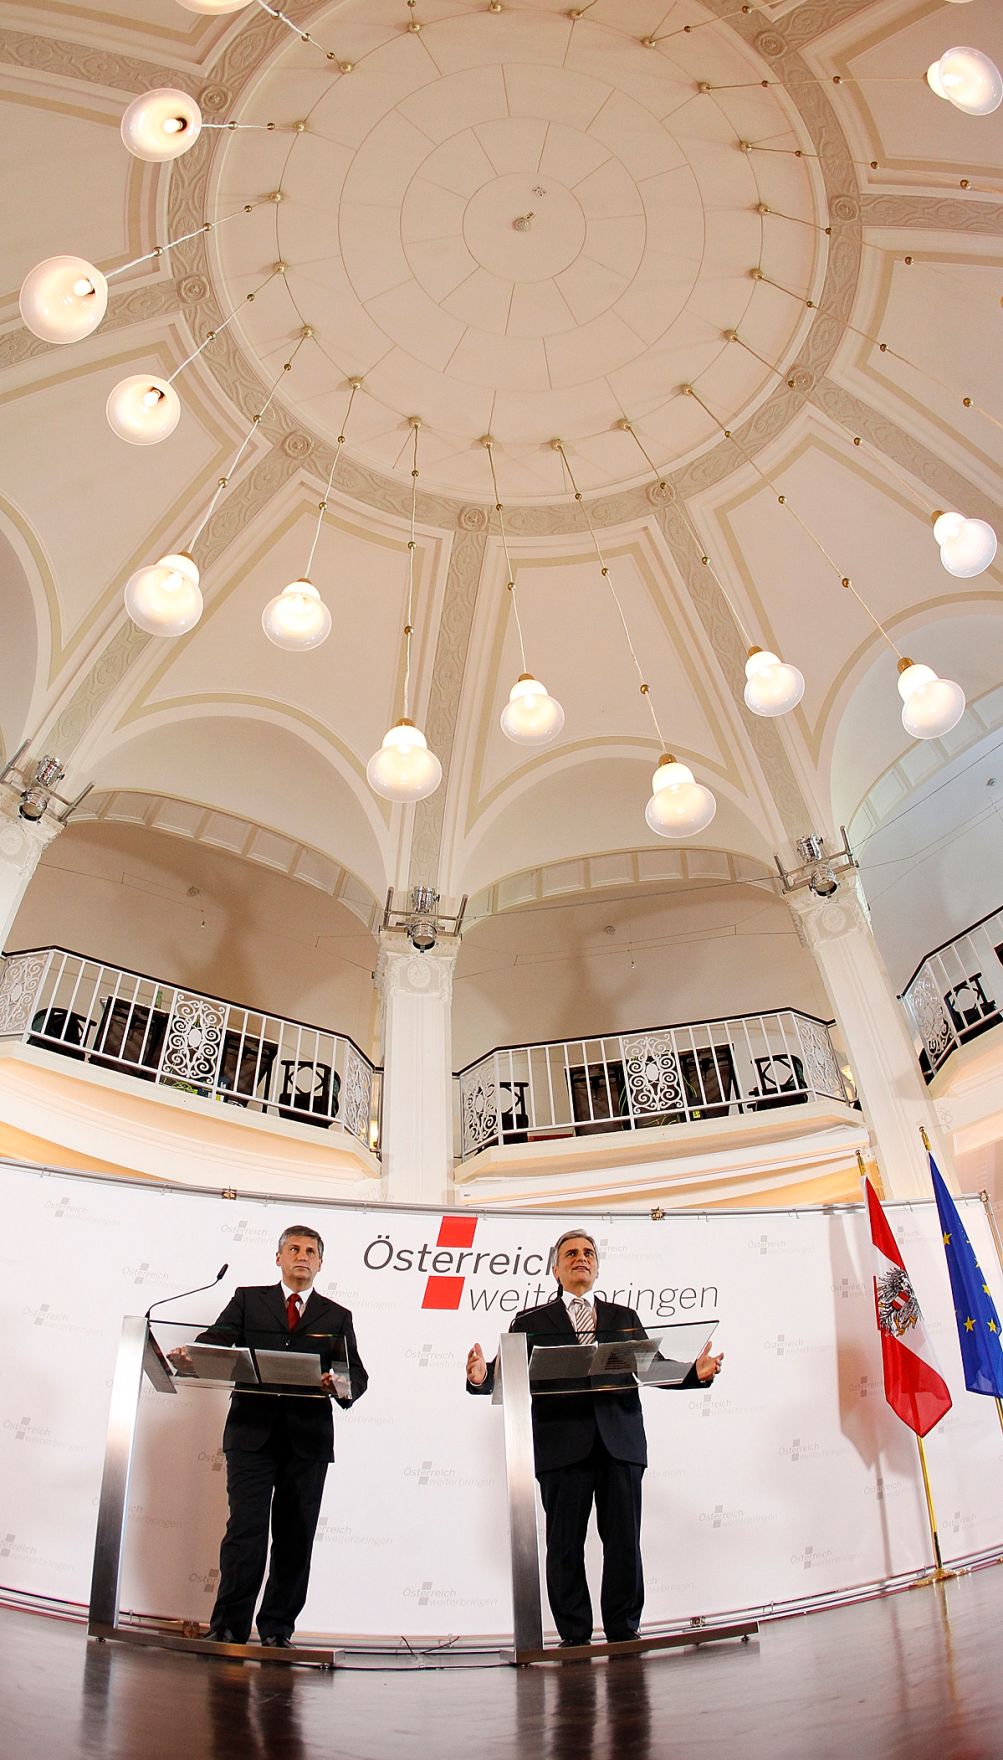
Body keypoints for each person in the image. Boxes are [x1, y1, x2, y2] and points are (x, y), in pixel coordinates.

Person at [465, 1228, 722, 1647]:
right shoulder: (529, 1322)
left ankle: (624, 1630)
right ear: (555, 1268)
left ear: (597, 1267)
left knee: (623, 1542)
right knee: (565, 1546)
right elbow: (503, 1373)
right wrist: (480, 1378)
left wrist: (695, 1372)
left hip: (619, 1446)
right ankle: (574, 1636)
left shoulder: (624, 1318)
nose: (580, 1258)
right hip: (561, 1449)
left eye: (588, 1253)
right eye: (570, 1253)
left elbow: (653, 1368)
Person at [170, 1223, 367, 1648]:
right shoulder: (248, 1299)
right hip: (251, 1435)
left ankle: (278, 1630)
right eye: (294, 1249)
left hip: (308, 1441)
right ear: (278, 1258)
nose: (302, 1256)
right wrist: (194, 1352)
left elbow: (357, 1376)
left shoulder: (336, 1316)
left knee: (295, 1538)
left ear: (320, 1263)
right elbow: (217, 1342)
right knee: (246, 1531)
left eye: (311, 1251)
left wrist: (340, 1384)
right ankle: (227, 1627)